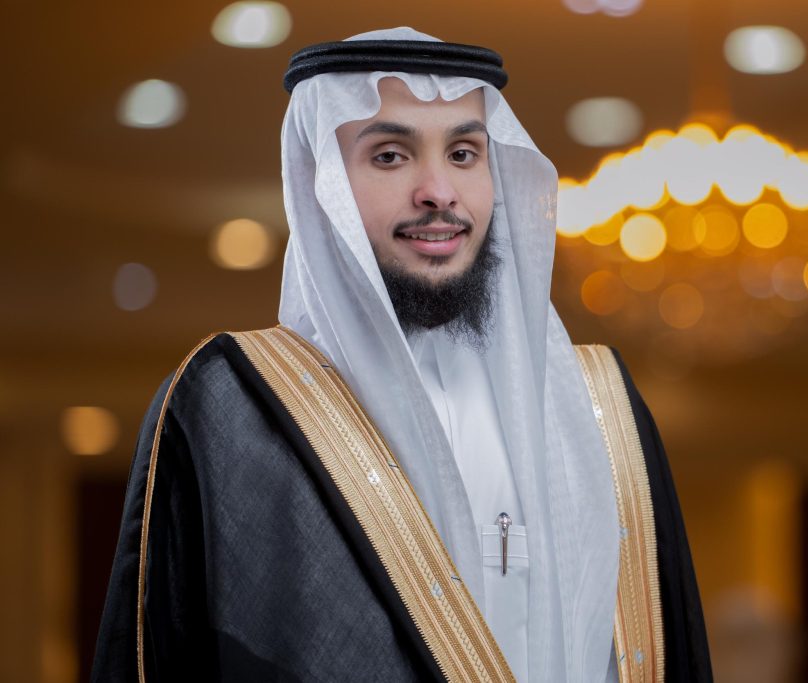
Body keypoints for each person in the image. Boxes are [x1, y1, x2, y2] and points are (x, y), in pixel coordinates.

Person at [92, 27, 712, 682]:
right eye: (390, 156)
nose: (438, 191)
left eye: (465, 153)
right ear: (323, 182)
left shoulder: (599, 405)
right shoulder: (233, 406)